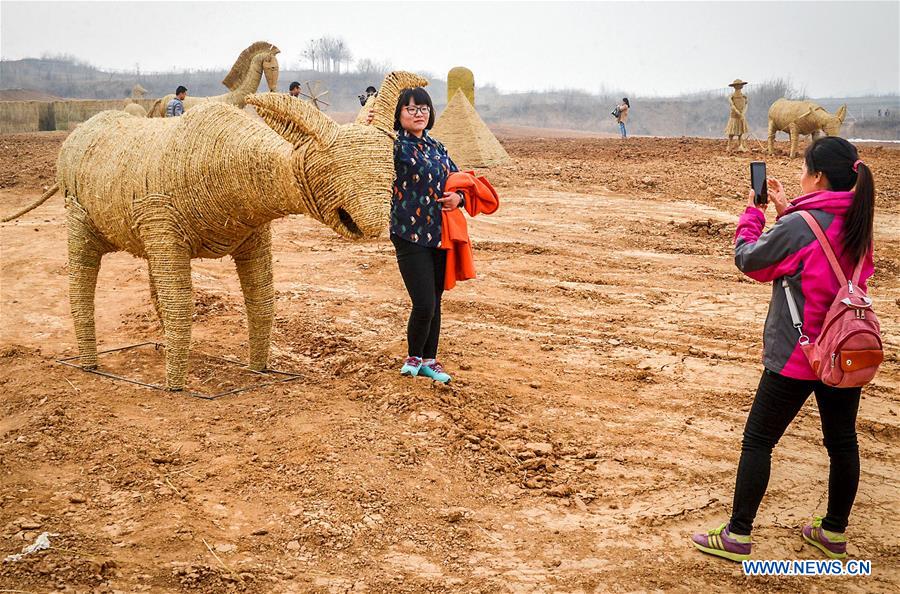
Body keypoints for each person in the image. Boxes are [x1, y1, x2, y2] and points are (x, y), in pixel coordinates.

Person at [691, 136, 876, 562]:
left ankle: (737, 535)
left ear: (817, 176)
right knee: (842, 442)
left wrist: (752, 215)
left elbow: (750, 260)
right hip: (843, 350)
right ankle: (832, 532)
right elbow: (831, 260)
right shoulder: (859, 217)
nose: (799, 175)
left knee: (758, 440)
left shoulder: (800, 225)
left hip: (797, 354)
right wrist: (789, 213)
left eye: (803, 169)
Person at [389, 87, 463, 384]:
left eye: (423, 108)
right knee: (424, 303)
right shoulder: (394, 147)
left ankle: (430, 360)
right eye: (411, 109)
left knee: (435, 298)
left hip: (439, 233)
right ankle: (414, 358)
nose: (418, 114)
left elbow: (459, 181)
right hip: (408, 232)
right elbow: (364, 152)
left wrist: (459, 198)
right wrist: (370, 123)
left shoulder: (438, 147)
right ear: (399, 114)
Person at [725, 79, 750, 152]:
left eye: (741, 84)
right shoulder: (731, 97)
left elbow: (746, 105)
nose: (740, 86)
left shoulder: (744, 97)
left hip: (741, 117)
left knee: (740, 133)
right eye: (738, 85)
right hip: (734, 116)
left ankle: (740, 146)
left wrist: (743, 113)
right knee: (731, 133)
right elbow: (732, 106)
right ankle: (729, 146)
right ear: (735, 86)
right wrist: (738, 113)